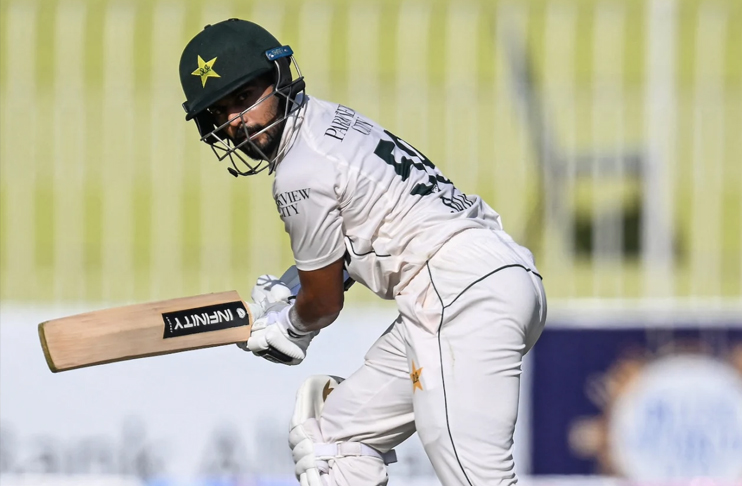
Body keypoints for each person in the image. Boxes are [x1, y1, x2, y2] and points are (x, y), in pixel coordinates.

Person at [179, 18, 547, 486]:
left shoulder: (297, 173)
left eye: (245, 97)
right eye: (221, 111)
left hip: (454, 295)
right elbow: (358, 238)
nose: (238, 121)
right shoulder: (331, 120)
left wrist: (289, 325)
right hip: (481, 278)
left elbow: (324, 302)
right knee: (333, 442)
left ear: (279, 76)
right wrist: (289, 290)